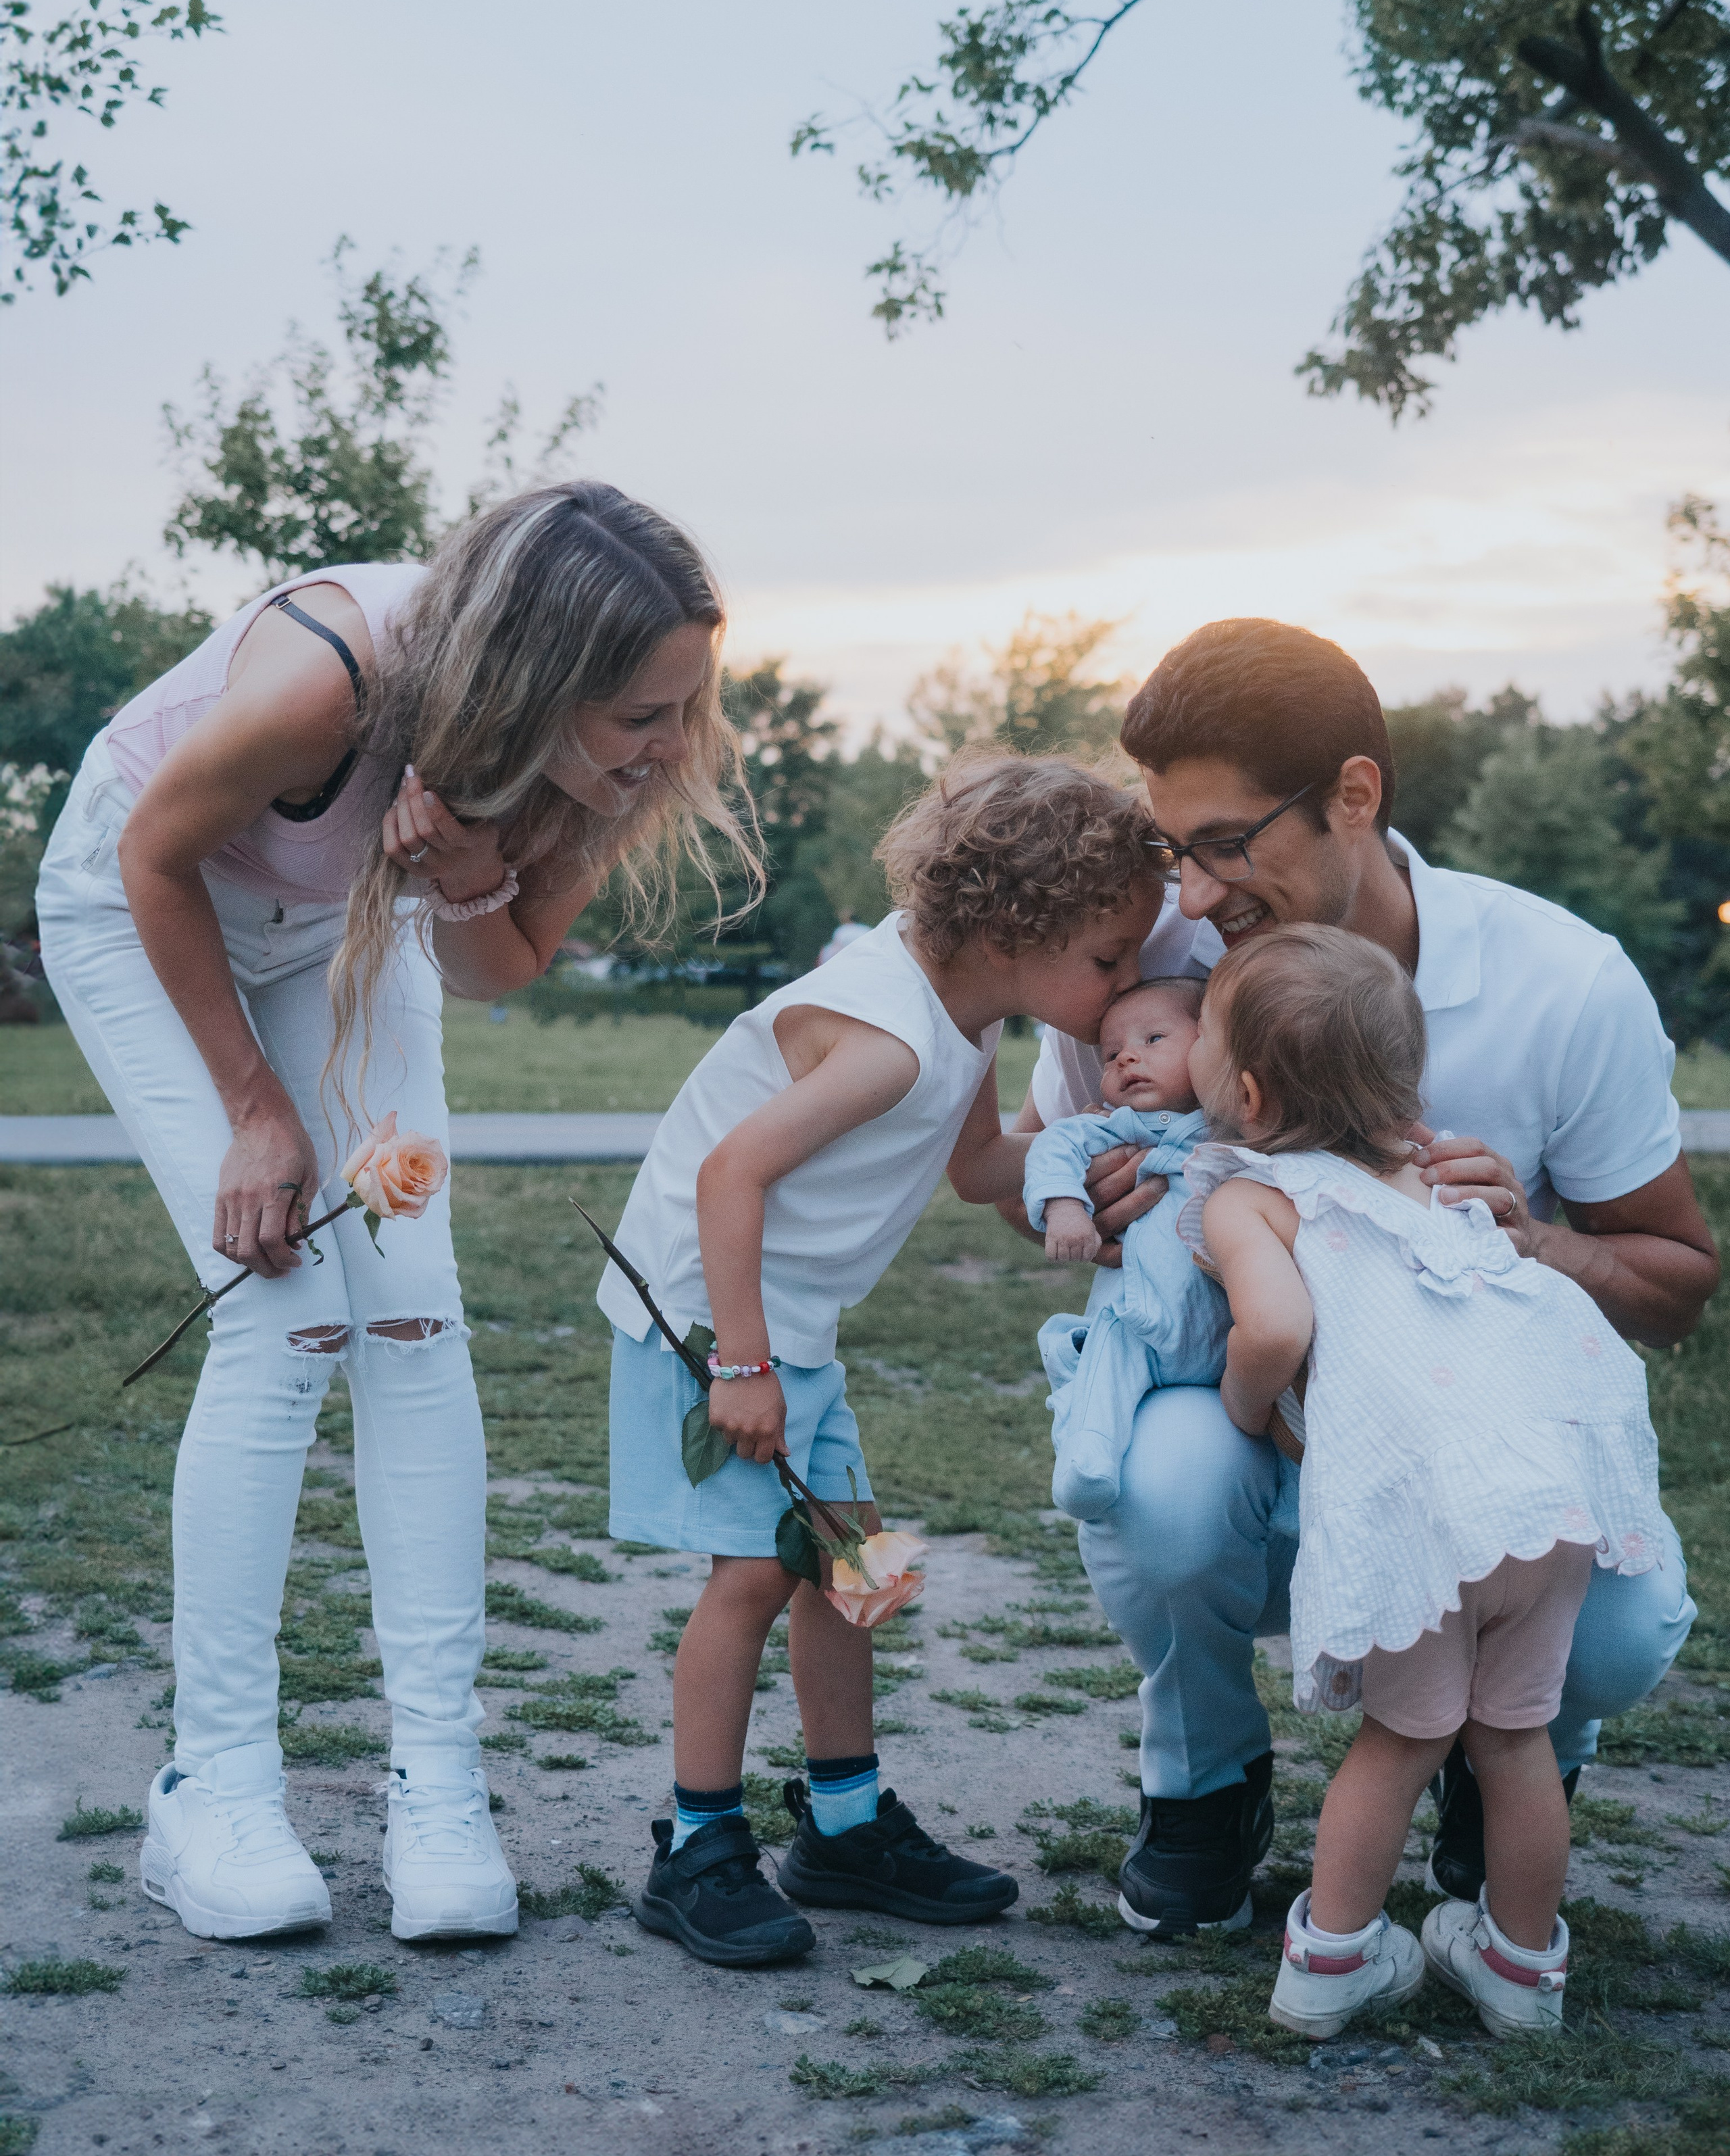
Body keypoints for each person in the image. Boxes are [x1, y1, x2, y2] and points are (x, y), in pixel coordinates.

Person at [36, 483, 756, 1944]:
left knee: (416, 1316)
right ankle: (212, 1785)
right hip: (147, 902)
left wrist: (471, 871)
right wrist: (255, 1104)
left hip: (345, 928)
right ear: (541, 677)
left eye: (684, 702)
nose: (671, 744)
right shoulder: (332, 680)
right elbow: (153, 858)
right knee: (290, 1310)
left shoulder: (594, 764)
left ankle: (442, 1784)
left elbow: (502, 964)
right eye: (638, 711)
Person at [1002, 618, 1718, 1938]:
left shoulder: (1558, 982)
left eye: (1227, 842)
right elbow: (1067, 1173)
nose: (1198, 893)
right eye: (1174, 849)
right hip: (1255, 1412)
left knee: (1617, 1630)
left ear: (1352, 794)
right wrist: (1108, 1216)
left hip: (1471, 1432)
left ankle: (1505, 1752)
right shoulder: (1157, 977)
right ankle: (1202, 1777)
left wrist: (1537, 1237)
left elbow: (1677, 1280)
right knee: (1163, 1487)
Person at [596, 754, 1164, 1965]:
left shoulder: (967, 1011)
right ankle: (695, 1844)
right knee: (751, 1574)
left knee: (849, 1561)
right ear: (1021, 924)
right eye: (1110, 957)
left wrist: (1117, 1155)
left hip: (791, 1324)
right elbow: (728, 1172)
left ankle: (844, 1824)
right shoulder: (890, 1035)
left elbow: (976, 1172)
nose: (1126, 981)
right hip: (708, 1319)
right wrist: (741, 1363)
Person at [1183, 923, 1663, 2037]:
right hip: (1547, 1491)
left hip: (1428, 1507)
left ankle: (1332, 1959)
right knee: (1513, 1735)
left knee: (1402, 1736)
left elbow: (1277, 1323)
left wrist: (1249, 1405)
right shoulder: (1443, 1170)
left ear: (1247, 1091)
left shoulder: (1248, 1192)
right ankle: (1519, 1964)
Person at [1022, 977, 1241, 1523]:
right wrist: (1066, 1207)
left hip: (1232, 1326)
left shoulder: (1239, 1122)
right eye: (1112, 1052)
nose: (1127, 1059)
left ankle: (1291, 1494)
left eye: (1153, 1039)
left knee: (1285, 1371)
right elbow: (1055, 1144)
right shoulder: (1124, 1125)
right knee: (1107, 1360)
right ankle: (1088, 1458)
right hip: (1140, 1318)